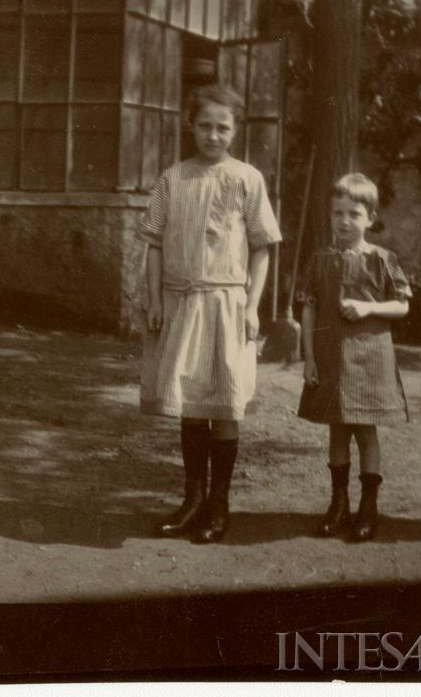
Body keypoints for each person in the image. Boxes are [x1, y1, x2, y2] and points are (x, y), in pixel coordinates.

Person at [140, 83, 282, 544]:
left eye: (223, 127)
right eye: (205, 125)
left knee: (224, 402)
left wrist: (253, 305)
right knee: (189, 404)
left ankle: (219, 505)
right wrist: (156, 298)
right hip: (182, 302)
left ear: (235, 130)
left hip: (227, 304)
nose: (213, 135)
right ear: (190, 125)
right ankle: (192, 499)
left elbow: (262, 248)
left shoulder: (247, 179)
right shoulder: (172, 178)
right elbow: (155, 244)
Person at [297, 173, 411, 542]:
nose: (344, 221)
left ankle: (368, 506)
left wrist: (366, 307)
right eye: (338, 213)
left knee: (365, 430)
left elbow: (403, 305)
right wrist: (309, 358)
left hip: (370, 355)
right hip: (331, 357)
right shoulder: (319, 260)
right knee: (337, 428)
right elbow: (309, 308)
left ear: (370, 218)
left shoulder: (382, 259)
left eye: (354, 214)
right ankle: (339, 502)